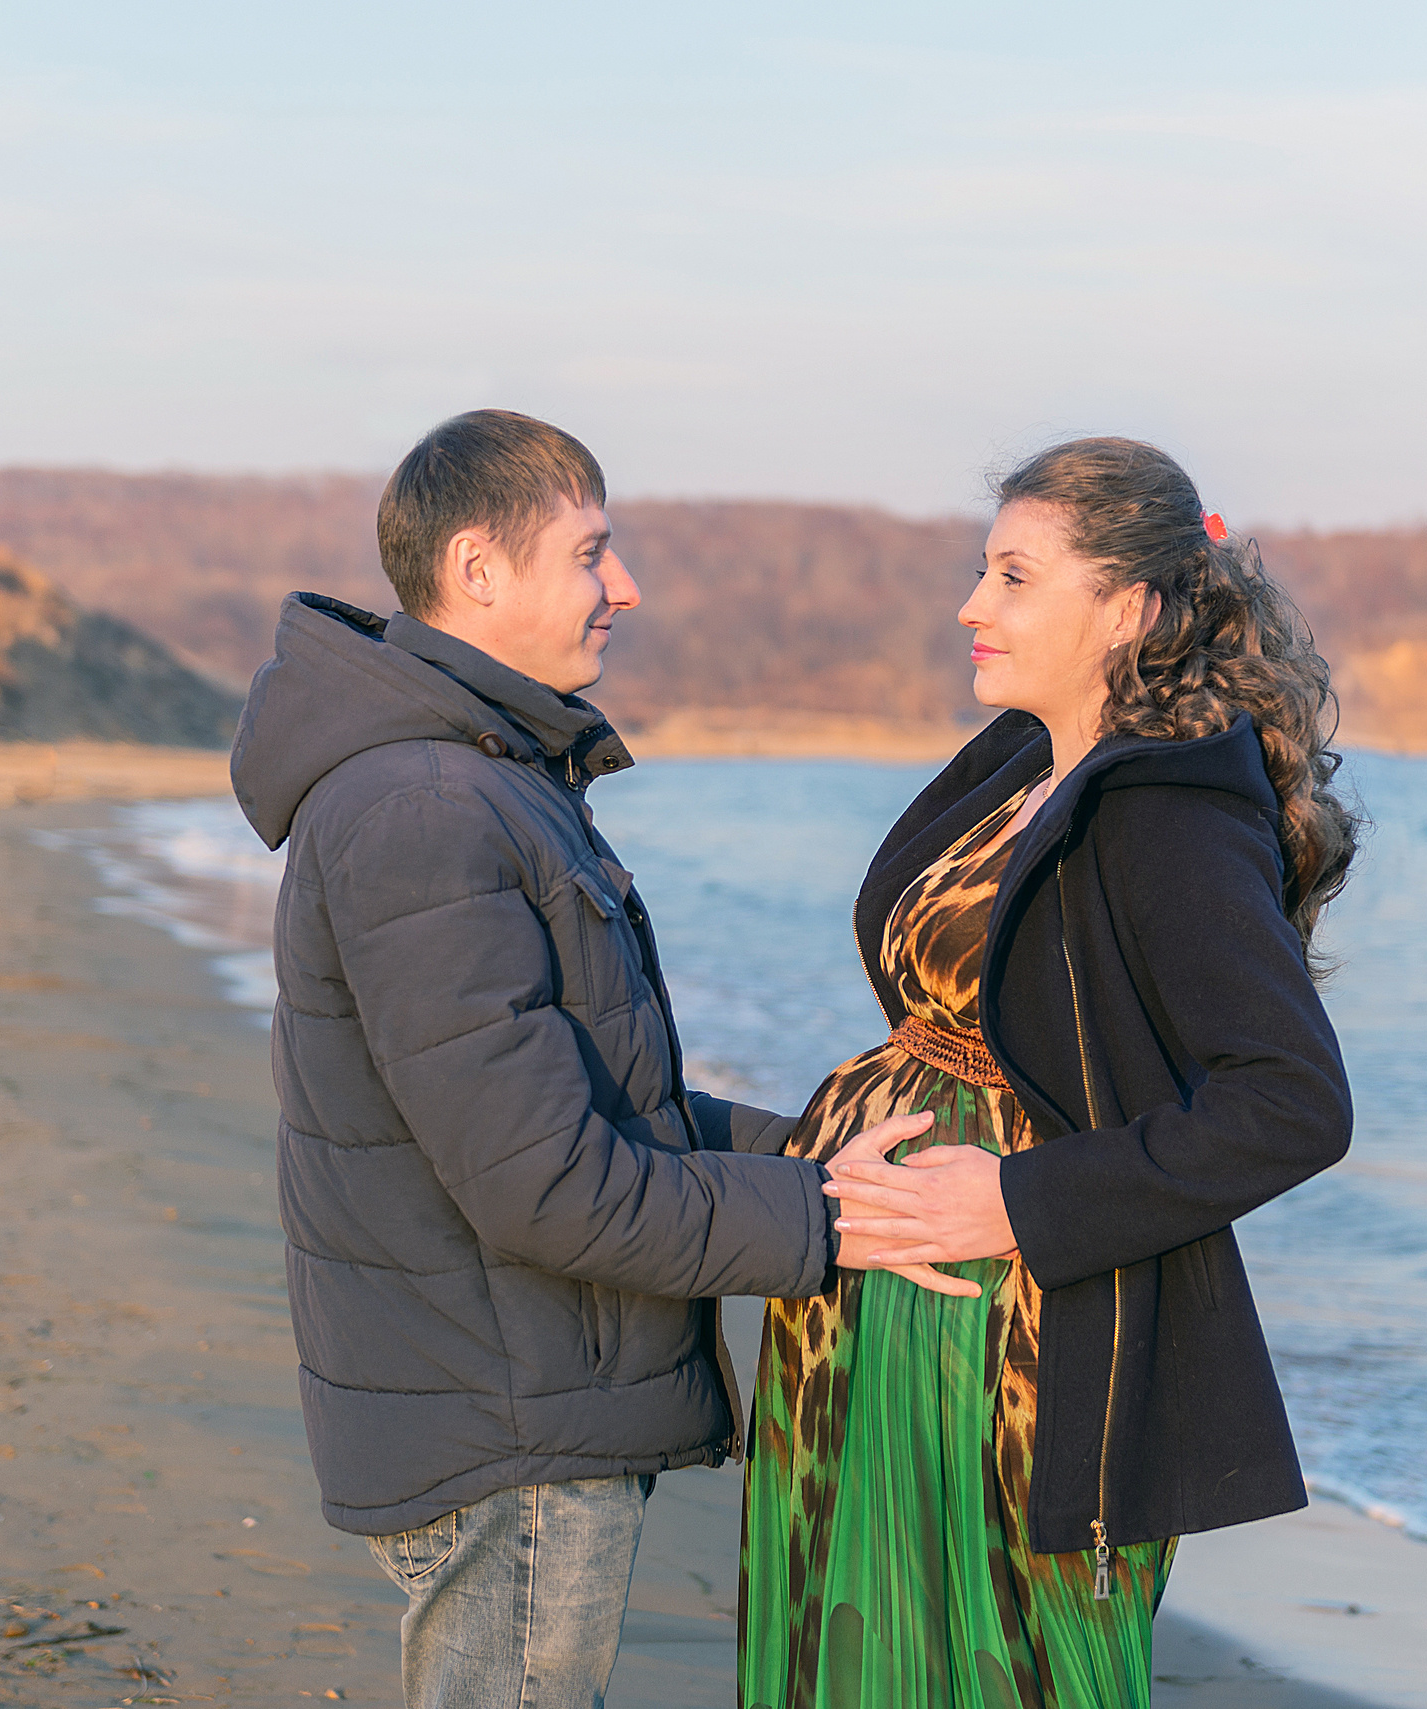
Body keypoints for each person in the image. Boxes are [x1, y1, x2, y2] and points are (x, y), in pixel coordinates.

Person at [229, 409, 926, 1709]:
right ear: (479, 569)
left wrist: (816, 1146)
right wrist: (832, 1218)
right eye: (592, 552)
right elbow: (547, 1184)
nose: (627, 585)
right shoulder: (429, 810)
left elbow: (598, 1100)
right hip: (507, 1413)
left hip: (513, 1380)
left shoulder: (479, 779)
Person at [739, 437, 1360, 1708]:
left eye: (1015, 576)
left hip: (1014, 1342)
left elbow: (1290, 1100)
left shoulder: (1167, 810)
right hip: (873, 1308)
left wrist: (1018, 1205)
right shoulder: (1029, 766)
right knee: (852, 1654)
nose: (972, 603)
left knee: (1004, 1675)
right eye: (983, 570)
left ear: (1125, 609)